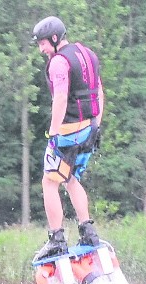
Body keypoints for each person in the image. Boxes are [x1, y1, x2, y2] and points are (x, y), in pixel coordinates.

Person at [31, 16, 104, 260]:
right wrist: (96, 126)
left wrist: (53, 133)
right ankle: (88, 231)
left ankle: (56, 239)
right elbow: (99, 92)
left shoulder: (58, 63)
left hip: (69, 132)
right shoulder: (88, 54)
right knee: (70, 177)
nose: (41, 49)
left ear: (54, 38)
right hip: (89, 130)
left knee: (49, 182)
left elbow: (60, 99)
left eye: (42, 43)